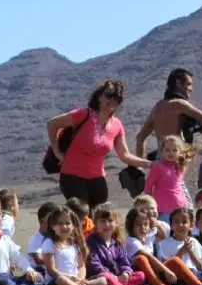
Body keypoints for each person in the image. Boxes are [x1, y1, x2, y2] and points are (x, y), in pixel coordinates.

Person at [46, 80, 149, 208]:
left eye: (117, 98)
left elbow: (125, 155)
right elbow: (52, 124)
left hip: (97, 177)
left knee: (100, 215)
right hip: (72, 176)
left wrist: (150, 164)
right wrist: (56, 151)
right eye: (109, 95)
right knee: (82, 214)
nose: (112, 100)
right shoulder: (83, 115)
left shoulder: (117, 125)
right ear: (100, 97)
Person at [135, 68, 202, 159]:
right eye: (188, 84)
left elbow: (140, 137)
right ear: (178, 83)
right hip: (175, 159)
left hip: (159, 160)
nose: (191, 89)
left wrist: (141, 164)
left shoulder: (158, 106)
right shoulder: (179, 104)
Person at [40, 207, 115, 285]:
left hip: (76, 280)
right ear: (52, 226)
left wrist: (80, 279)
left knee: (103, 280)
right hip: (56, 281)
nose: (64, 226)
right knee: (61, 281)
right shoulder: (49, 242)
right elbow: (51, 270)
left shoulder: (75, 243)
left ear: (73, 226)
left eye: (68, 223)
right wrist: (68, 279)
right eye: (60, 223)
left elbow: (81, 266)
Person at [85, 205, 151, 285]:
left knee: (140, 275)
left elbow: (124, 262)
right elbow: (94, 265)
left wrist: (125, 273)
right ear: (95, 223)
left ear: (116, 223)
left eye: (110, 221)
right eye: (102, 221)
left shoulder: (117, 244)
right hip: (100, 278)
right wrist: (112, 276)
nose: (107, 224)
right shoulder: (91, 241)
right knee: (106, 277)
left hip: (117, 278)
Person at [122, 208, 179, 285]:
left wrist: (155, 224)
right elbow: (148, 256)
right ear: (131, 225)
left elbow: (163, 236)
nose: (142, 228)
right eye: (138, 224)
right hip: (138, 273)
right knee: (141, 258)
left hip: (152, 272)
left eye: (145, 224)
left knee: (175, 260)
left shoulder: (147, 237)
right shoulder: (131, 241)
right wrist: (166, 271)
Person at [145, 135, 199, 220]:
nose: (171, 153)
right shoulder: (157, 166)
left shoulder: (180, 166)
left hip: (181, 208)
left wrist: (188, 205)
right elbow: (148, 187)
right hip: (163, 210)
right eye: (167, 150)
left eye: (174, 150)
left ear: (180, 152)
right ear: (162, 151)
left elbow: (180, 187)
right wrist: (150, 204)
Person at [27, 202, 60, 269]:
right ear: (41, 221)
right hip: (38, 270)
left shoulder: (56, 236)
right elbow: (38, 259)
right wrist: (57, 263)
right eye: (51, 220)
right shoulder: (35, 238)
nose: (54, 223)